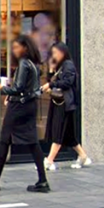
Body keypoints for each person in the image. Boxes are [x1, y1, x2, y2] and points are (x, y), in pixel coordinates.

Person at [0, 35, 49, 193]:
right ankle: (42, 180)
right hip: (30, 105)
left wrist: (2, 88)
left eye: (16, 47)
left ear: (25, 48)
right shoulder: (34, 65)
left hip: (18, 107)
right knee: (33, 141)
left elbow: (18, 88)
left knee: (5, 139)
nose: (14, 50)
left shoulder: (23, 64)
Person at [41, 42, 91, 170]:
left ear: (63, 52)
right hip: (59, 102)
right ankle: (83, 156)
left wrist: (51, 85)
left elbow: (68, 82)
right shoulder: (60, 66)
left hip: (65, 103)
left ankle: (49, 160)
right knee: (69, 135)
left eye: (55, 52)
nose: (54, 55)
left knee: (58, 131)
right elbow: (53, 80)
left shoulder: (68, 65)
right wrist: (51, 70)